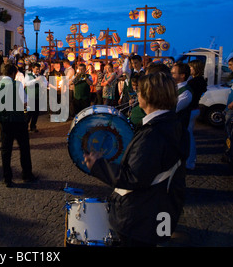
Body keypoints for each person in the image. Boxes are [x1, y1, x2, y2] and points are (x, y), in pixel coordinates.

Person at [83, 72, 186, 247]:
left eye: (138, 92)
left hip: (140, 219)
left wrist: (97, 165)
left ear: (149, 95)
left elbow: (134, 177)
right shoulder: (172, 124)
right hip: (159, 209)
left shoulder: (153, 134)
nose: (136, 95)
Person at [0, 64, 38, 187]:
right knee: (24, 149)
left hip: (4, 122)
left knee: (6, 151)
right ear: (13, 73)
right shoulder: (17, 85)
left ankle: (7, 178)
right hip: (18, 121)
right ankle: (26, 175)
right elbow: (25, 102)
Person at [186, 60, 207, 170]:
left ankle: (190, 162)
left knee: (189, 136)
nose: (189, 70)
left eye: (191, 68)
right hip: (194, 109)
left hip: (191, 109)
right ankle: (190, 161)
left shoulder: (195, 82)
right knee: (189, 135)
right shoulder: (199, 80)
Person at [25, 63, 47, 132]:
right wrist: (35, 80)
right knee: (29, 113)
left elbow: (45, 84)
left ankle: (33, 126)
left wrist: (42, 83)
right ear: (33, 68)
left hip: (38, 97)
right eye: (36, 69)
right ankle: (25, 127)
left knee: (36, 113)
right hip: (30, 98)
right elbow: (26, 84)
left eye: (39, 69)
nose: (38, 70)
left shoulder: (41, 76)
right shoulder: (28, 75)